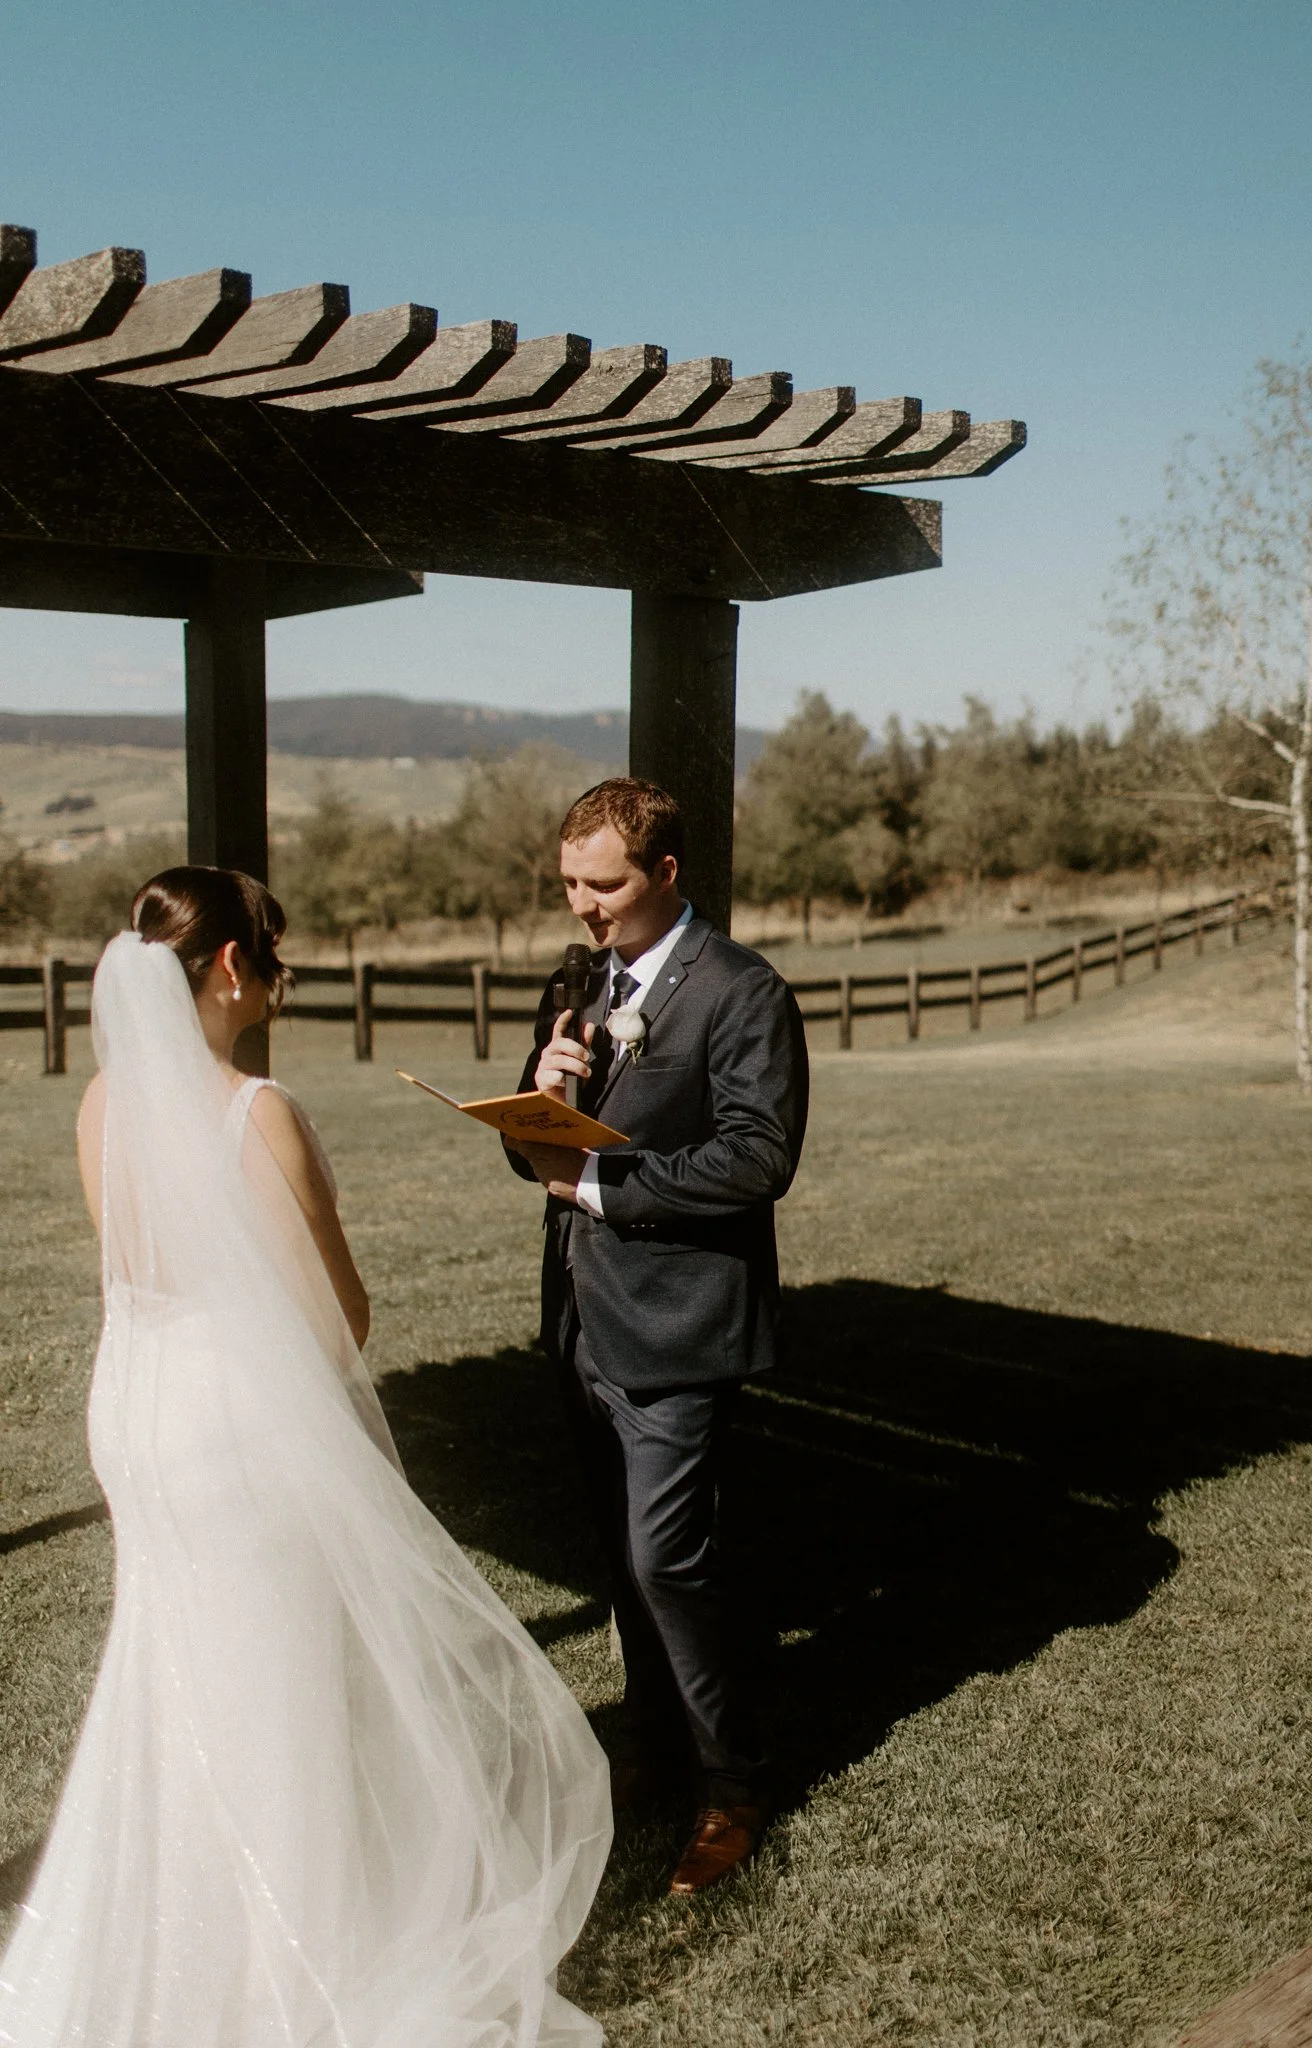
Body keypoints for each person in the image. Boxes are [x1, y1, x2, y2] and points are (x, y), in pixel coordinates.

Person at [0, 866, 611, 2048]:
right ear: (231, 966)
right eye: (270, 944)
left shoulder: (101, 1103)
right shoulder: (255, 1110)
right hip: (232, 1416)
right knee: (276, 1669)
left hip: (138, 1409)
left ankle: (176, 1942)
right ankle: (293, 1971)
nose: (277, 962)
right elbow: (340, 1319)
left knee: (176, 1659)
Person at [506, 780, 808, 1897]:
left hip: (677, 1329)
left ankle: (734, 1784)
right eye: (570, 883)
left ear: (666, 873)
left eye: (605, 884)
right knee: (627, 1565)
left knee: (667, 1560)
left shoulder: (742, 990)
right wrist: (536, 1095)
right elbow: (536, 1153)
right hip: (583, 1322)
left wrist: (601, 1180)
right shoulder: (577, 980)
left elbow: (756, 1158)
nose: (582, 906)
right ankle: (652, 1741)